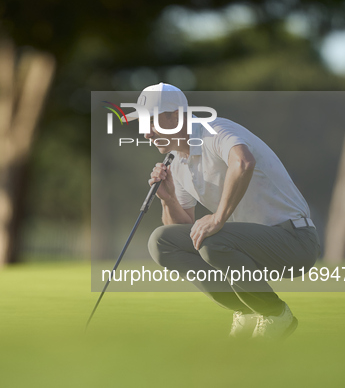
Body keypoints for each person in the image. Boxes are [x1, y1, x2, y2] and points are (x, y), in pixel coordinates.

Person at [126, 83, 321, 339]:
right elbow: (183, 224)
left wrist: (218, 218)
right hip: (246, 247)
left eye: (150, 122)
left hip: (295, 241)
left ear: (175, 115)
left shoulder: (215, 130)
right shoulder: (177, 162)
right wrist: (168, 199)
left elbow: (243, 162)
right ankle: (248, 310)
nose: (146, 133)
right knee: (162, 240)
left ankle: (276, 314)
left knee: (211, 240)